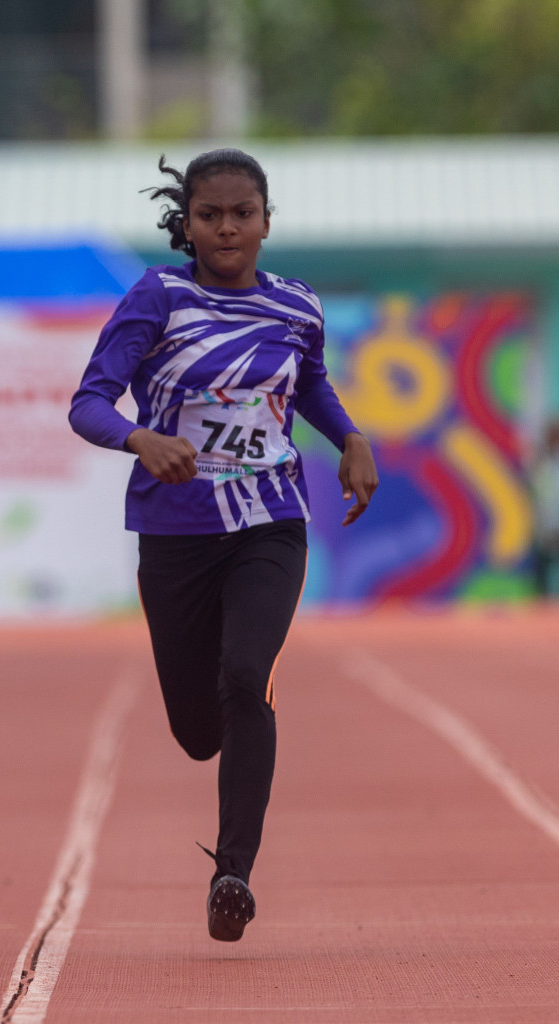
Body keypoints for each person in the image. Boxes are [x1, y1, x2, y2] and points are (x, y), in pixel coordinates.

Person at [68, 150, 378, 942]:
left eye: (243, 213)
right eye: (211, 215)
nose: (228, 227)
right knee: (197, 729)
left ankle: (233, 871)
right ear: (188, 224)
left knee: (247, 677)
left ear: (267, 221)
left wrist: (348, 437)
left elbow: (307, 383)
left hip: (270, 520)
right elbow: (89, 403)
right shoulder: (159, 297)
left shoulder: (296, 307)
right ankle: (218, 765)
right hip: (176, 533)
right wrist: (141, 439)